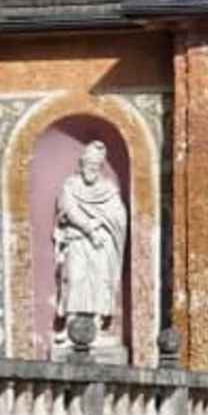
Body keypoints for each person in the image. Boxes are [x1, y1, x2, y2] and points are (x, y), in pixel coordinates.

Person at [53, 139, 126, 347]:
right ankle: (71, 326)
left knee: (99, 281)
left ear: (100, 166)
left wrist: (102, 225)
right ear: (82, 164)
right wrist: (89, 227)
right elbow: (68, 209)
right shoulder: (71, 185)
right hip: (77, 241)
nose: (91, 169)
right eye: (88, 165)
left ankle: (95, 327)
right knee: (75, 279)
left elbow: (118, 215)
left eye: (95, 165)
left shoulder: (108, 189)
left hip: (101, 245)